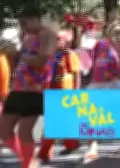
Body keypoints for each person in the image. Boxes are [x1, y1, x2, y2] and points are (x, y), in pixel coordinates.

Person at [0, 7, 58, 168]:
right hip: (18, 89)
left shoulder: (47, 34)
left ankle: (28, 163)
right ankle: (27, 159)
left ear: (35, 19)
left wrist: (18, 54)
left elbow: (42, 61)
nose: (22, 26)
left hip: (35, 90)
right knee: (4, 130)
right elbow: (22, 62)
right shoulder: (27, 36)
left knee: (24, 131)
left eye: (24, 23)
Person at [83, 16, 120, 162]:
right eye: (114, 31)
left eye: (119, 32)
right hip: (98, 83)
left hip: (116, 83)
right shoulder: (99, 44)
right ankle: (92, 147)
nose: (116, 35)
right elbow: (90, 61)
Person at [37, 29, 82, 162]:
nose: (55, 41)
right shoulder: (51, 55)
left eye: (58, 39)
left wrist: (76, 92)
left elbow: (76, 75)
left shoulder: (70, 55)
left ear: (66, 42)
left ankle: (44, 152)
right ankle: (72, 144)